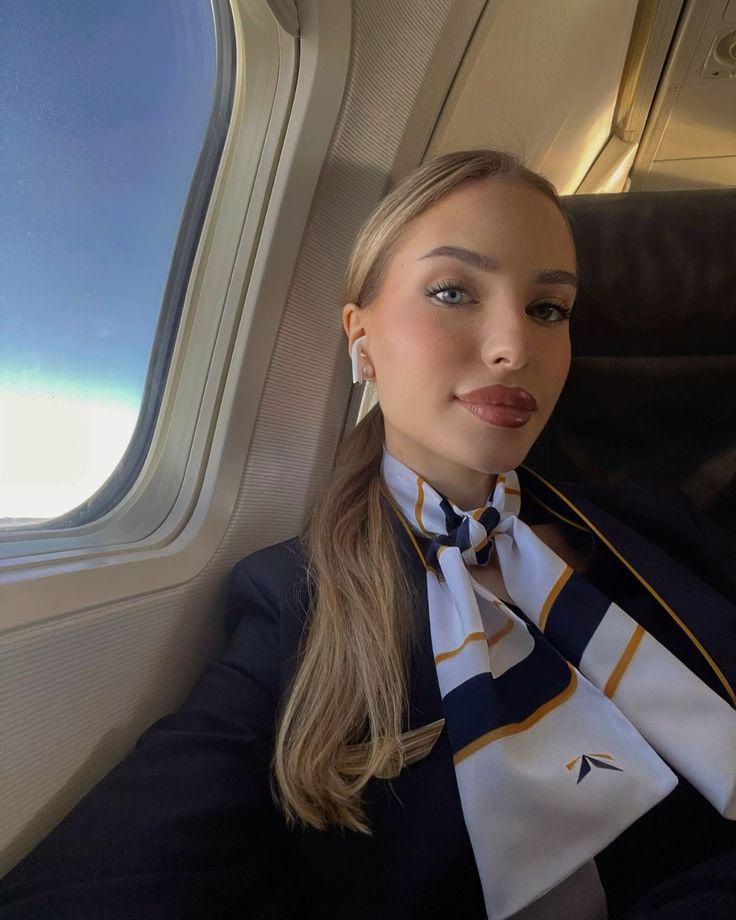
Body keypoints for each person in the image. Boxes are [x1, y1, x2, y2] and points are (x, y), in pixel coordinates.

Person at [1, 149, 735, 920]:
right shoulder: (296, 603)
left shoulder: (659, 524)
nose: (514, 348)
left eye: (548, 309)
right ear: (361, 336)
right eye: (452, 291)